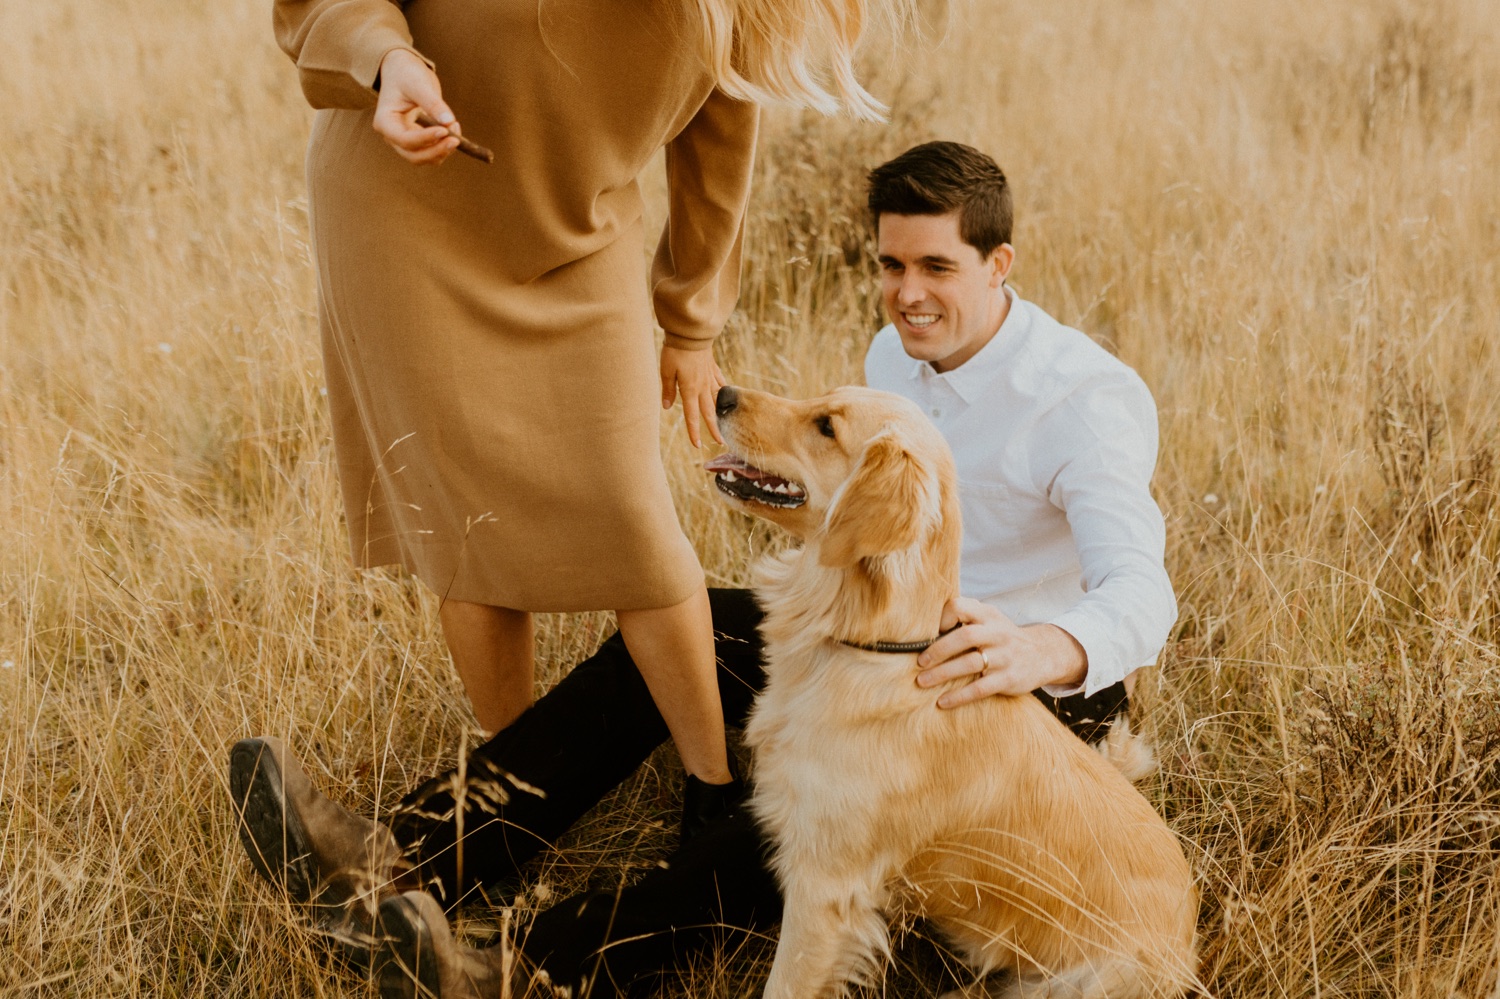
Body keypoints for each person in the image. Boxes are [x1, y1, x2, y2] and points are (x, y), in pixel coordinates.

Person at [230, 141, 1178, 998]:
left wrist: (1040, 645)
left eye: (937, 267)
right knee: (670, 627)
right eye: (890, 265)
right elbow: (846, 516)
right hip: (879, 641)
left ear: (998, 264)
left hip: (1022, 694)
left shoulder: (1084, 400)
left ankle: (515, 971)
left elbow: (1142, 591)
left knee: (802, 825)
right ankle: (410, 855)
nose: (907, 292)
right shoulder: (896, 353)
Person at [269, 0, 910, 833]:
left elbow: (721, 135)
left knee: (633, 519)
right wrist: (387, 58)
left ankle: (715, 806)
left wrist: (691, 319)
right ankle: (519, 799)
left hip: (584, 232)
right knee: (475, 531)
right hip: (407, 210)